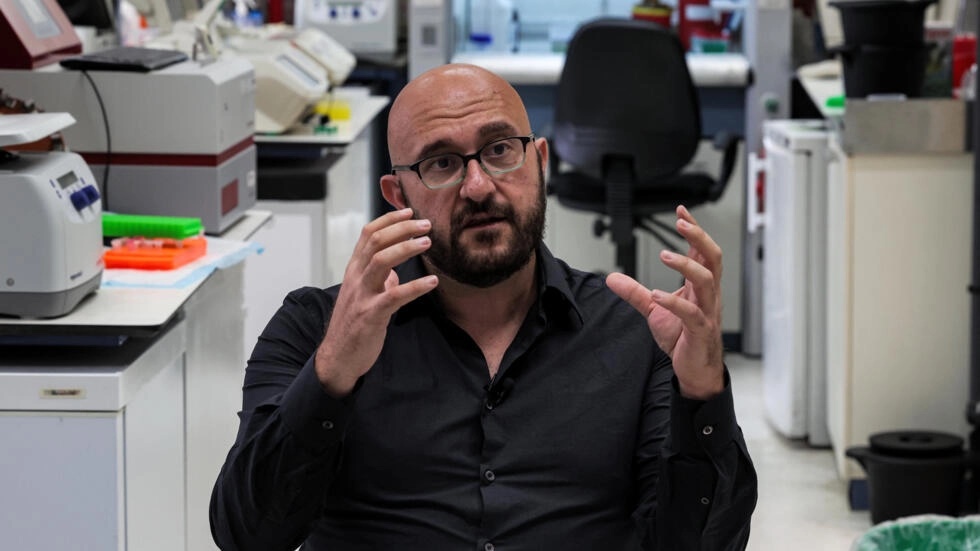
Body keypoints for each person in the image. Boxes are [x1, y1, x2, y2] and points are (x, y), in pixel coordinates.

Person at [210, 63, 757, 550]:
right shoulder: (314, 329)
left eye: (499, 151)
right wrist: (332, 373)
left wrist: (703, 394)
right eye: (441, 163)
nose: (477, 186)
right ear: (398, 195)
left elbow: (702, 543)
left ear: (538, 162)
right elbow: (248, 535)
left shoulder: (639, 336)